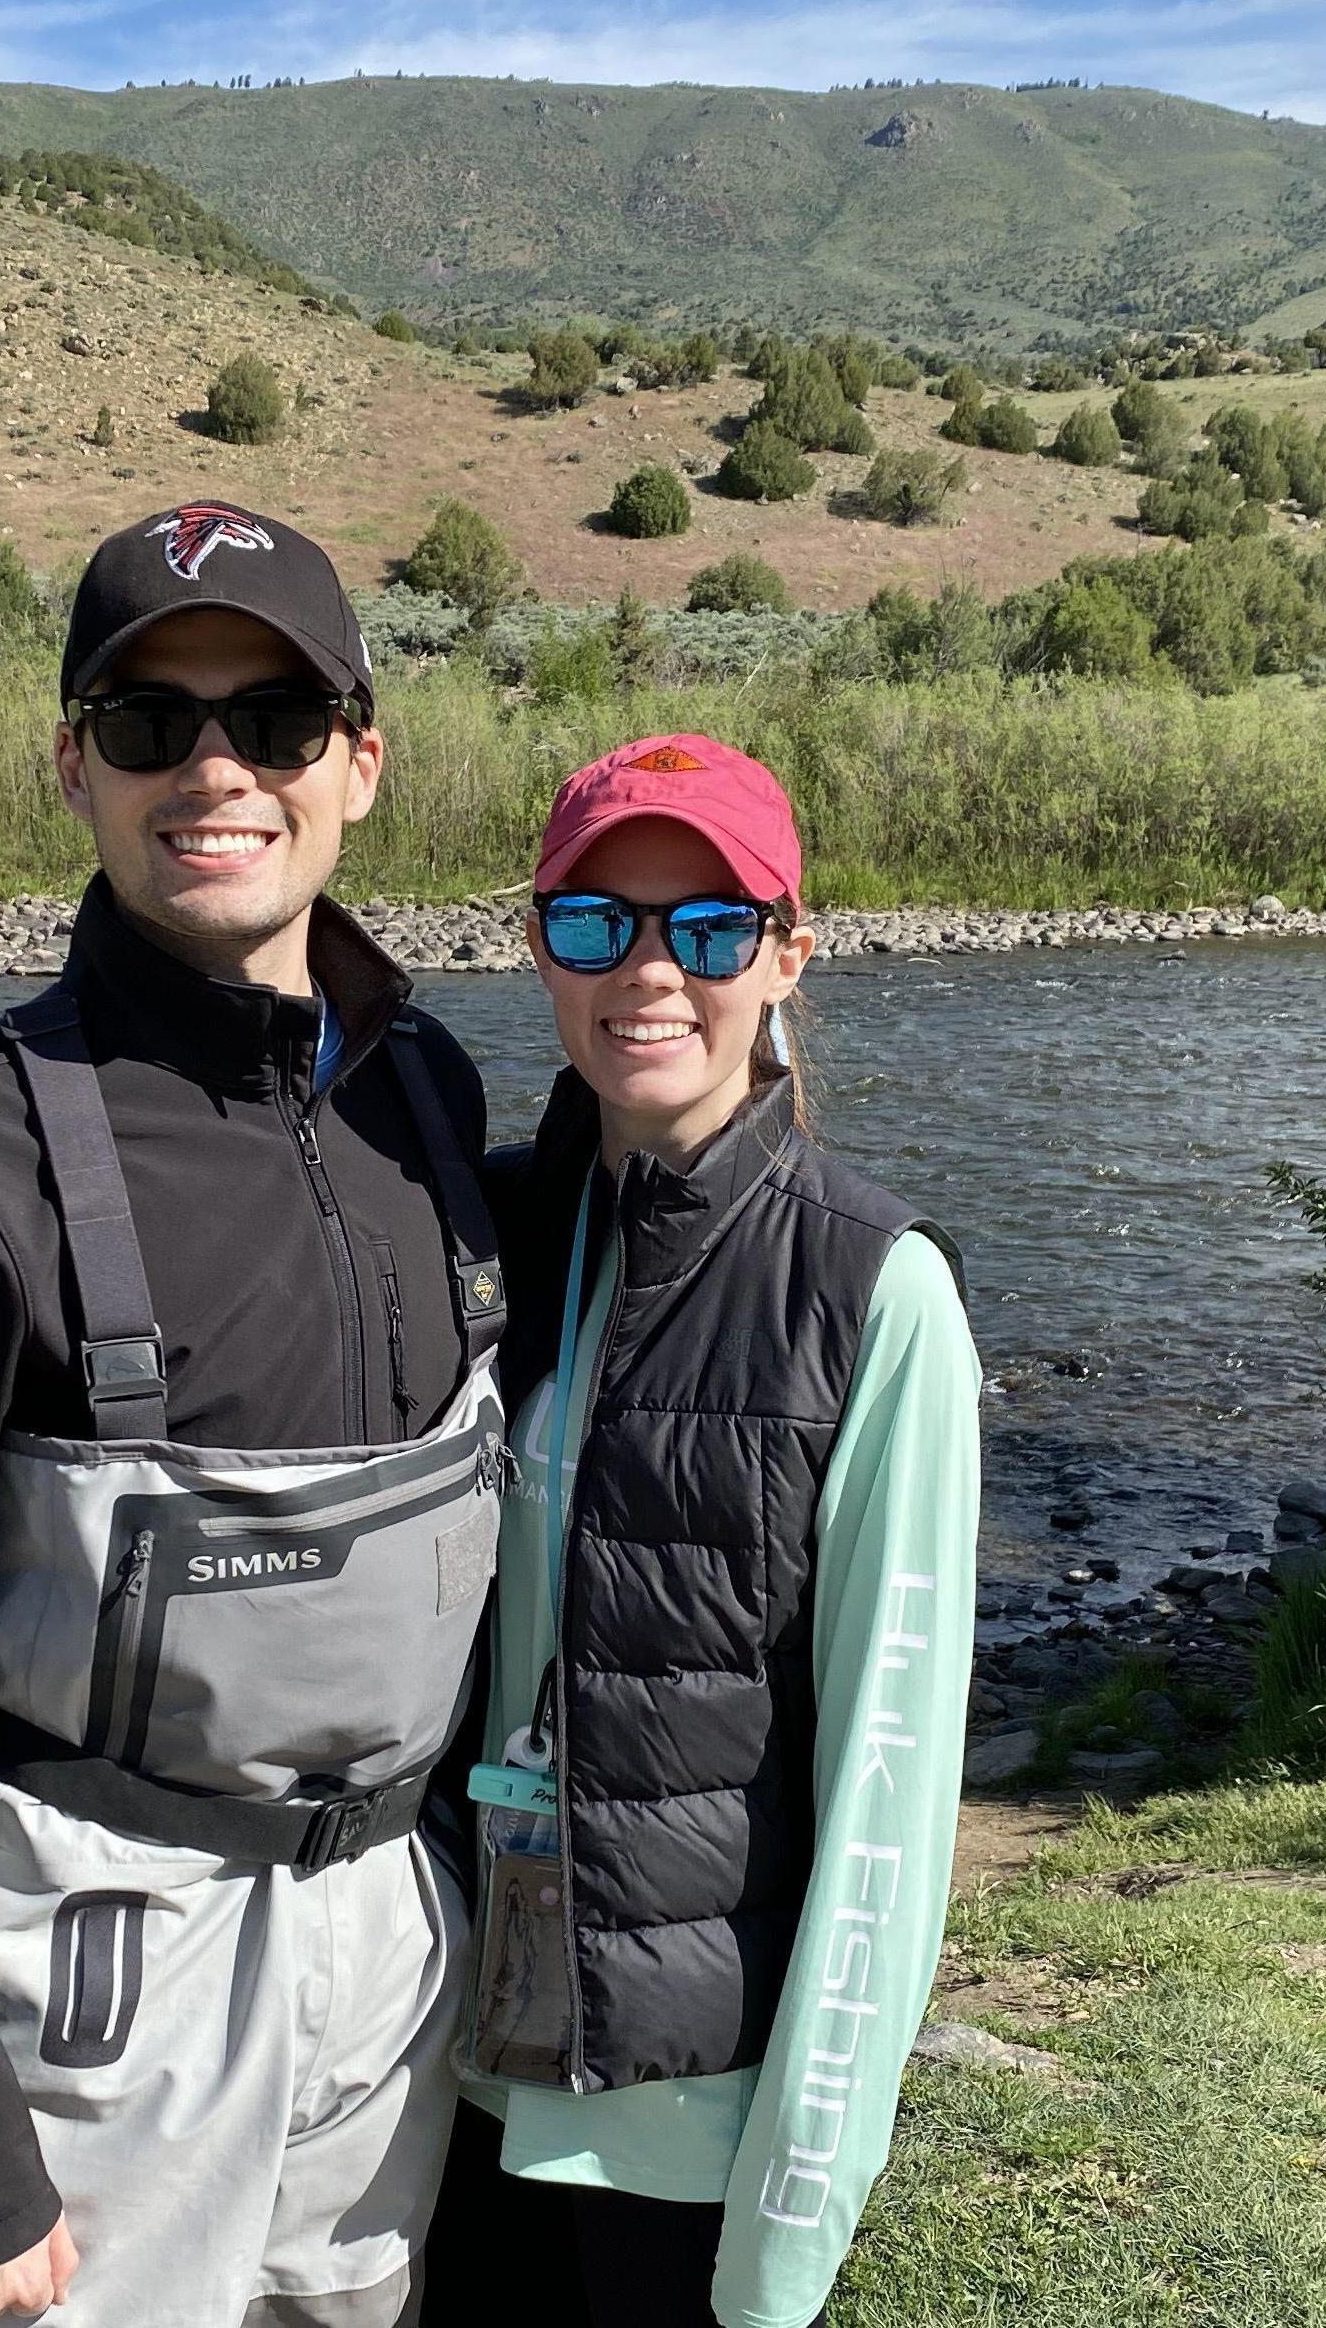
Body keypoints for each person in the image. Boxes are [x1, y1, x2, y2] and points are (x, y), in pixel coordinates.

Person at [0, 500, 509, 2327]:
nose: (213, 768)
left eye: (271, 718)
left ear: (359, 765)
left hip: (402, 1951)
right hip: (96, 2003)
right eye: (148, 721)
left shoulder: (430, 1089)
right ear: (73, 768)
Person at [421, 732, 981, 2328]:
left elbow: (888, 1787)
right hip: (450, 2071)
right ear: (538, 944)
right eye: (597, 920)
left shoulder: (877, 1293)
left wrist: (800, 2192)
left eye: (710, 925)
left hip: (685, 2118)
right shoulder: (483, 1230)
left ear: (787, 952)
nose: (650, 967)